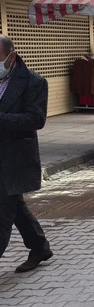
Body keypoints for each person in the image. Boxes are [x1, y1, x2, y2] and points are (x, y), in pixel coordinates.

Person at [0, 35, 53, 273]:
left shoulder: (33, 82)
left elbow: (36, 119)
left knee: (2, 214)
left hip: (15, 157)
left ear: (11, 57)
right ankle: (39, 246)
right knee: (15, 206)